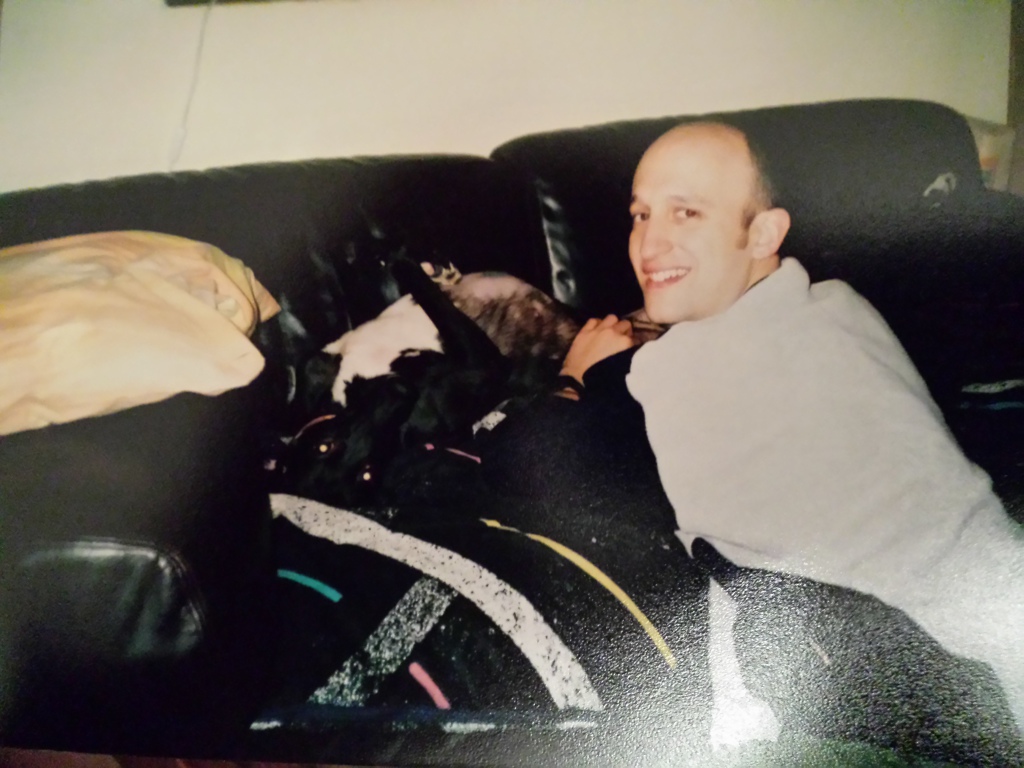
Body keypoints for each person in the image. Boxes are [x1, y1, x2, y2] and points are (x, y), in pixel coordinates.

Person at [553, 121, 1024, 745]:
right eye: (640, 215)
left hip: (932, 663)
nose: (649, 243)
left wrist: (577, 376)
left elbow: (550, 463)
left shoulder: (658, 372)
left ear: (765, 232)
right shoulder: (840, 304)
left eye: (686, 212)